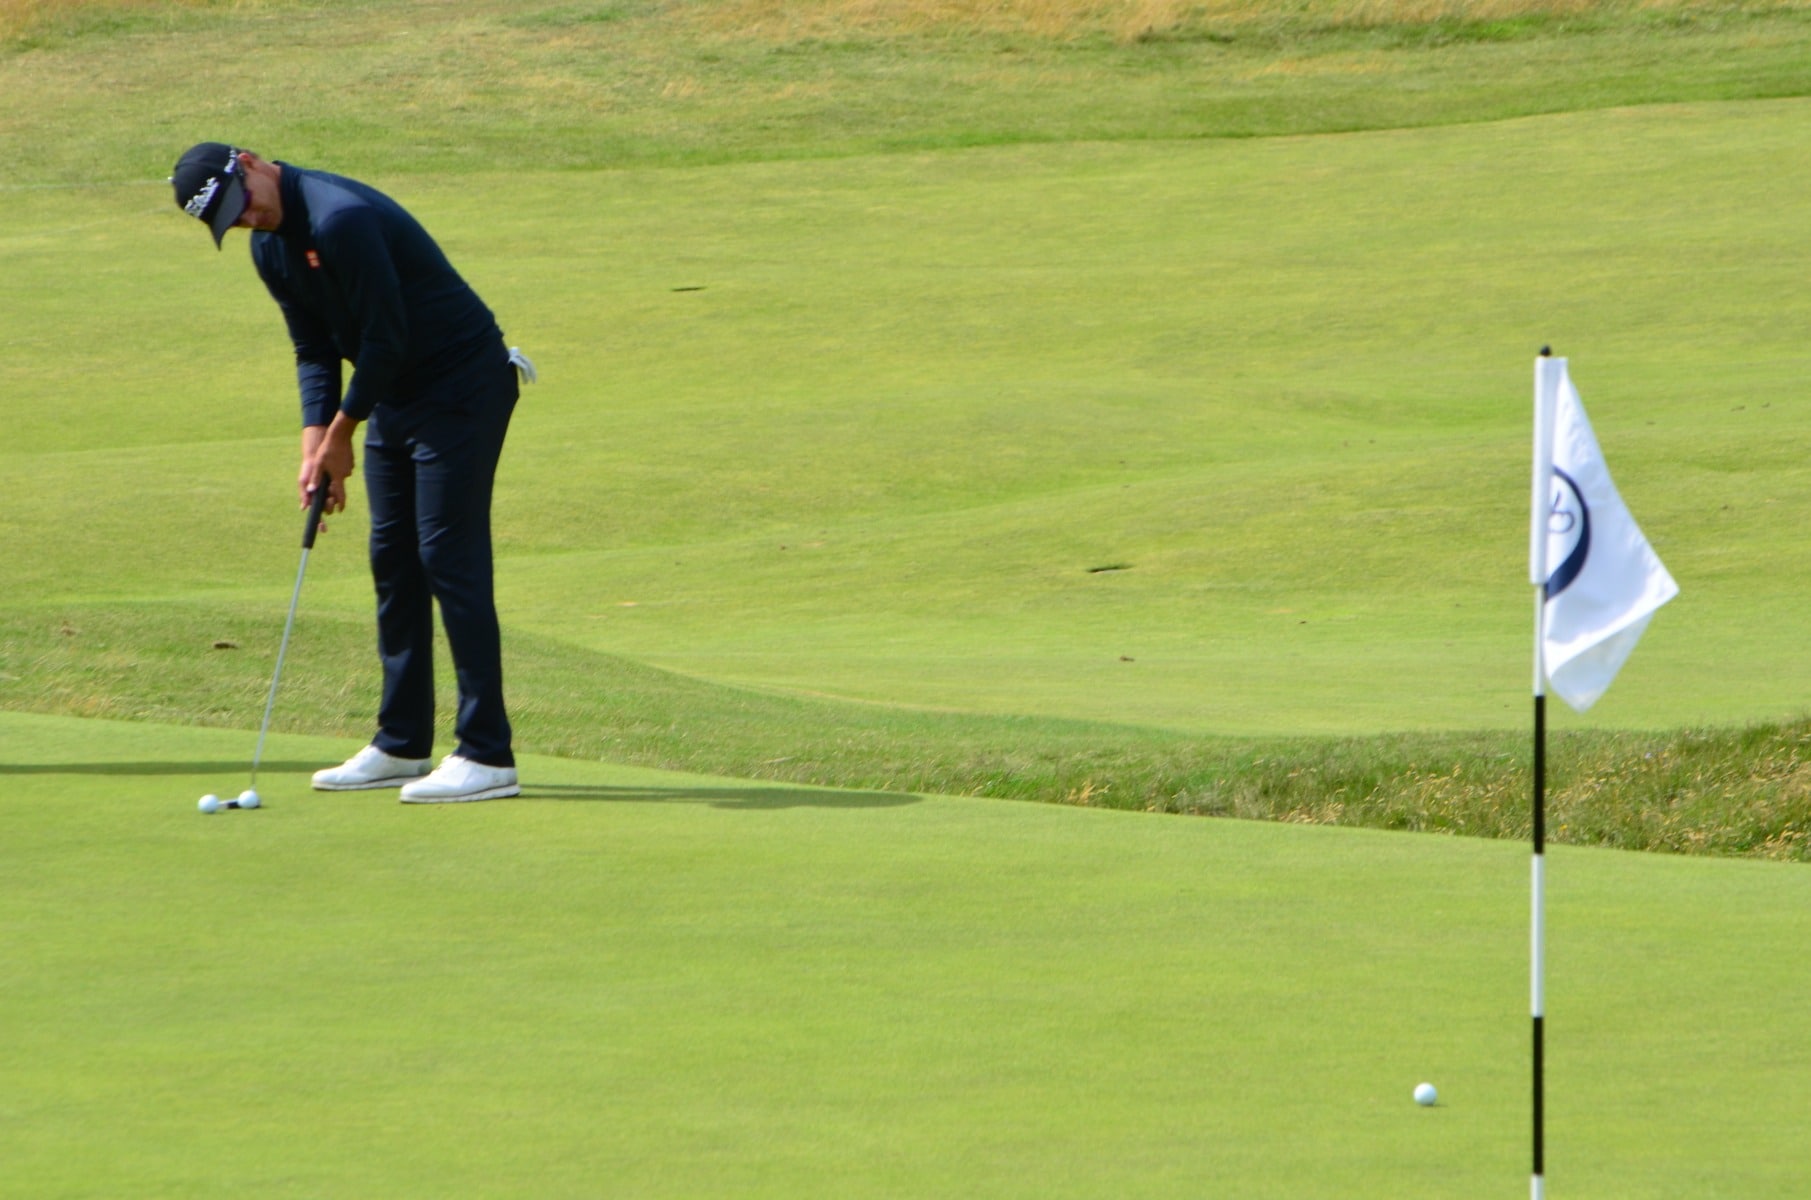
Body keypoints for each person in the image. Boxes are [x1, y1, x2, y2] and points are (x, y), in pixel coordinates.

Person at [171, 142, 532, 803]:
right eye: (231, 219)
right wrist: (317, 446)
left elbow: (386, 336)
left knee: (446, 556)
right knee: (393, 560)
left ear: (250, 162)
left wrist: (343, 433)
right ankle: (401, 743)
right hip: (394, 392)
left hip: (461, 386)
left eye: (242, 201)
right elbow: (314, 349)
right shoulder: (270, 249)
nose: (247, 218)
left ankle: (486, 754)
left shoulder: (341, 218)